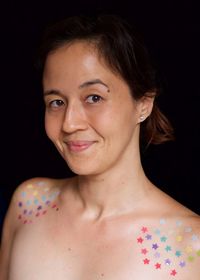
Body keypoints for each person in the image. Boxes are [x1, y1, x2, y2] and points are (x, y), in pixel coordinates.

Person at [0, 14, 199, 280]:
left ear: (143, 103)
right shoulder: (29, 203)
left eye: (94, 97)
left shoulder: (190, 245)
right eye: (56, 102)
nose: (69, 123)